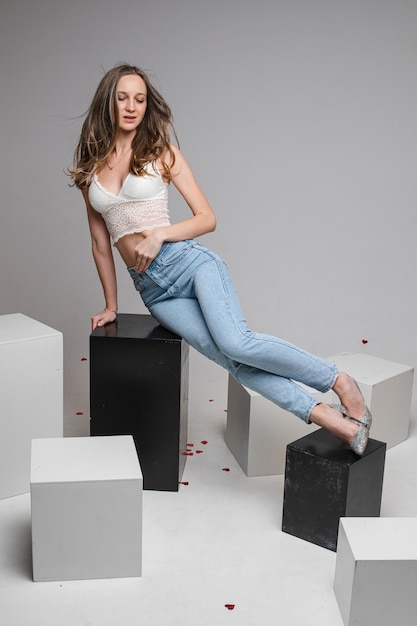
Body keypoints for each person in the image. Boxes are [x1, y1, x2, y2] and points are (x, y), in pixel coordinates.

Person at [69, 63, 372, 455]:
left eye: (140, 99)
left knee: (237, 343)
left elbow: (207, 218)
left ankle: (339, 381)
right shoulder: (90, 167)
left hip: (189, 264)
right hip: (155, 292)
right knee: (231, 361)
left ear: (147, 105)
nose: (131, 107)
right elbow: (98, 241)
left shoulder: (162, 153)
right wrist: (111, 304)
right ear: (107, 103)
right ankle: (329, 418)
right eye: (123, 98)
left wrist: (160, 233)